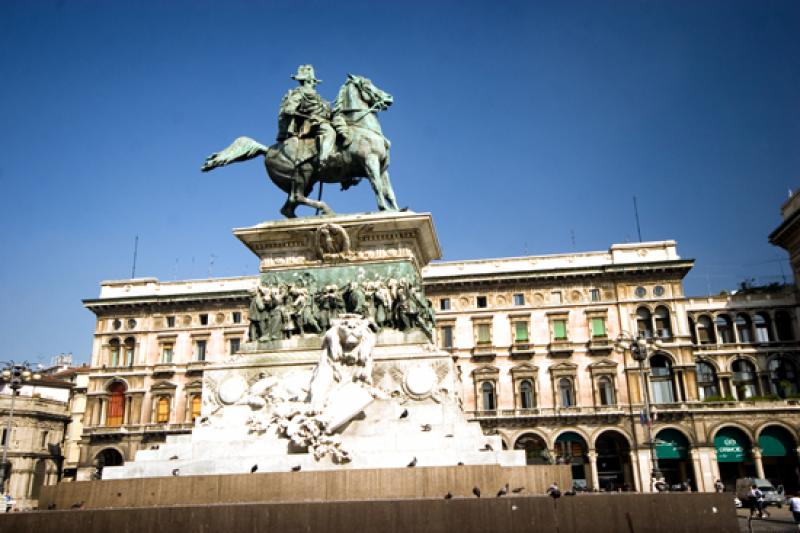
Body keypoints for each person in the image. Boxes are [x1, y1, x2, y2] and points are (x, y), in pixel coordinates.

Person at [276, 65, 339, 165]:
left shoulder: (317, 96)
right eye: (312, 80)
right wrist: (292, 110)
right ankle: (324, 158)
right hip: (312, 123)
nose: (314, 82)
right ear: (307, 80)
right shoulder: (300, 92)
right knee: (329, 132)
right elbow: (289, 108)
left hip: (322, 120)